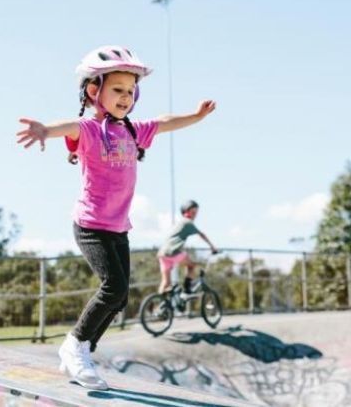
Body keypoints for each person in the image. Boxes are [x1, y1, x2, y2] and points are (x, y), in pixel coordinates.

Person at [16, 45, 216, 390]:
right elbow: (70, 126)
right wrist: (44, 130)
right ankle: (75, 345)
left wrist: (195, 117)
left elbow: (164, 122)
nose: (125, 97)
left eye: (130, 91)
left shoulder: (133, 131)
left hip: (118, 228)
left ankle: (82, 350)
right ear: (95, 91)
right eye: (117, 90)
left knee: (121, 296)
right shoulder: (91, 130)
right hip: (91, 226)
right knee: (114, 287)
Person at [156, 200, 218, 299]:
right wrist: (212, 247)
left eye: (196, 213)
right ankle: (186, 288)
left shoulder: (179, 223)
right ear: (186, 212)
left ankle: (160, 305)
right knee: (192, 265)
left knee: (166, 282)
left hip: (162, 254)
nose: (195, 215)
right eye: (193, 213)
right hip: (173, 252)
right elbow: (202, 235)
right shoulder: (187, 222)